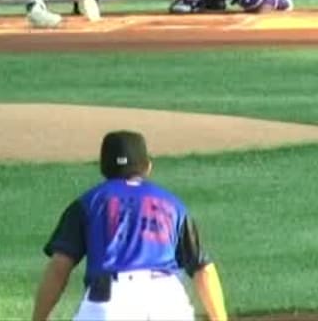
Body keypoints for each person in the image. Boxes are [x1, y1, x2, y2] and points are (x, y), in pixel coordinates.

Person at [32, 130, 228, 321]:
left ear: (103, 168)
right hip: (168, 300)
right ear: (147, 167)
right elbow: (204, 269)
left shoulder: (88, 202)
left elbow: (59, 267)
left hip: (111, 301)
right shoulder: (174, 205)